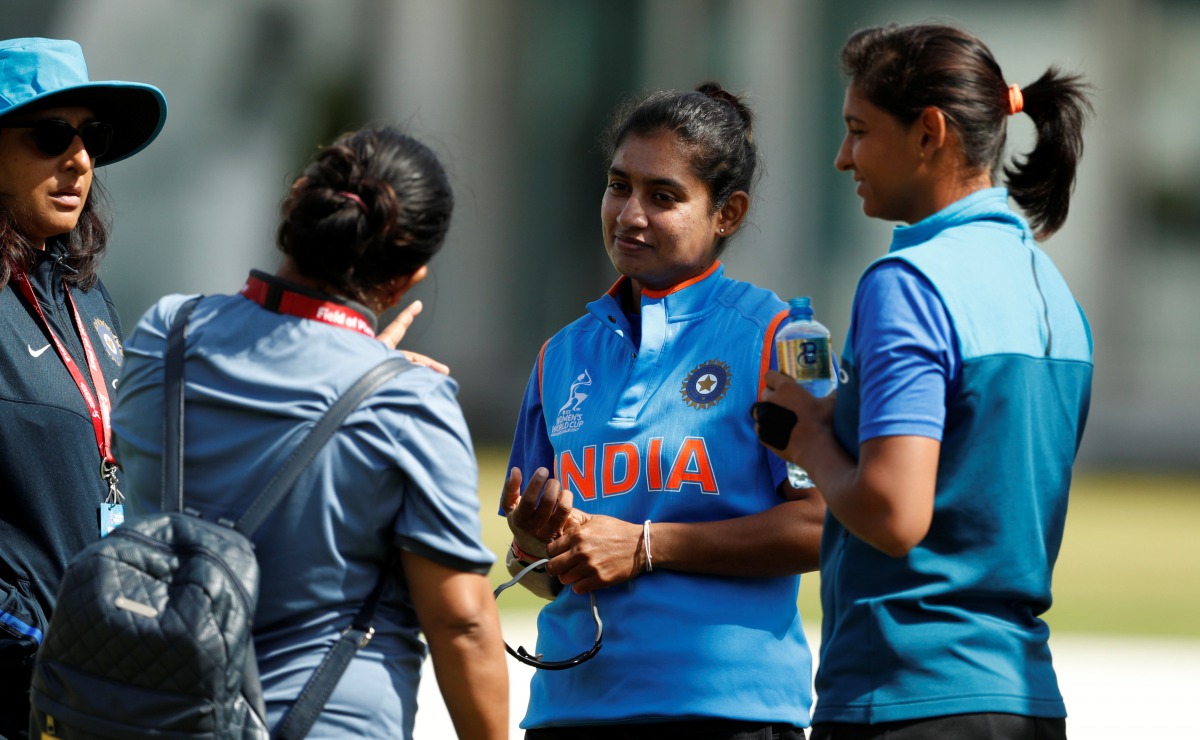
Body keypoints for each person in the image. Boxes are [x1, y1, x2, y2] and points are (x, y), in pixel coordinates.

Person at [109, 127, 508, 739]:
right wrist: (373, 376)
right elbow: (461, 622)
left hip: (148, 715)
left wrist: (361, 368)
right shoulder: (407, 403)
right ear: (408, 278)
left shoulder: (166, 333)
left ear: (295, 205)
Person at [755, 22, 1094, 740]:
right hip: (1027, 700)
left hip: (907, 695)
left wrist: (812, 438)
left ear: (928, 133)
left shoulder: (906, 282)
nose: (843, 157)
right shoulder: (1053, 292)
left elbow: (893, 513)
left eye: (858, 129)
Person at [501, 82, 824, 739]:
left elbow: (827, 525)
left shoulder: (789, 340)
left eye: (663, 196)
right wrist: (535, 550)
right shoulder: (560, 355)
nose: (629, 214)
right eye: (619, 185)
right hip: (571, 711)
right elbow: (539, 578)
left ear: (728, 213)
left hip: (729, 713)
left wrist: (647, 546)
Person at [0, 37, 166, 739]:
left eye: (90, 137)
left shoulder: (87, 297)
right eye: (50, 135)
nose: (78, 160)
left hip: (94, 688)